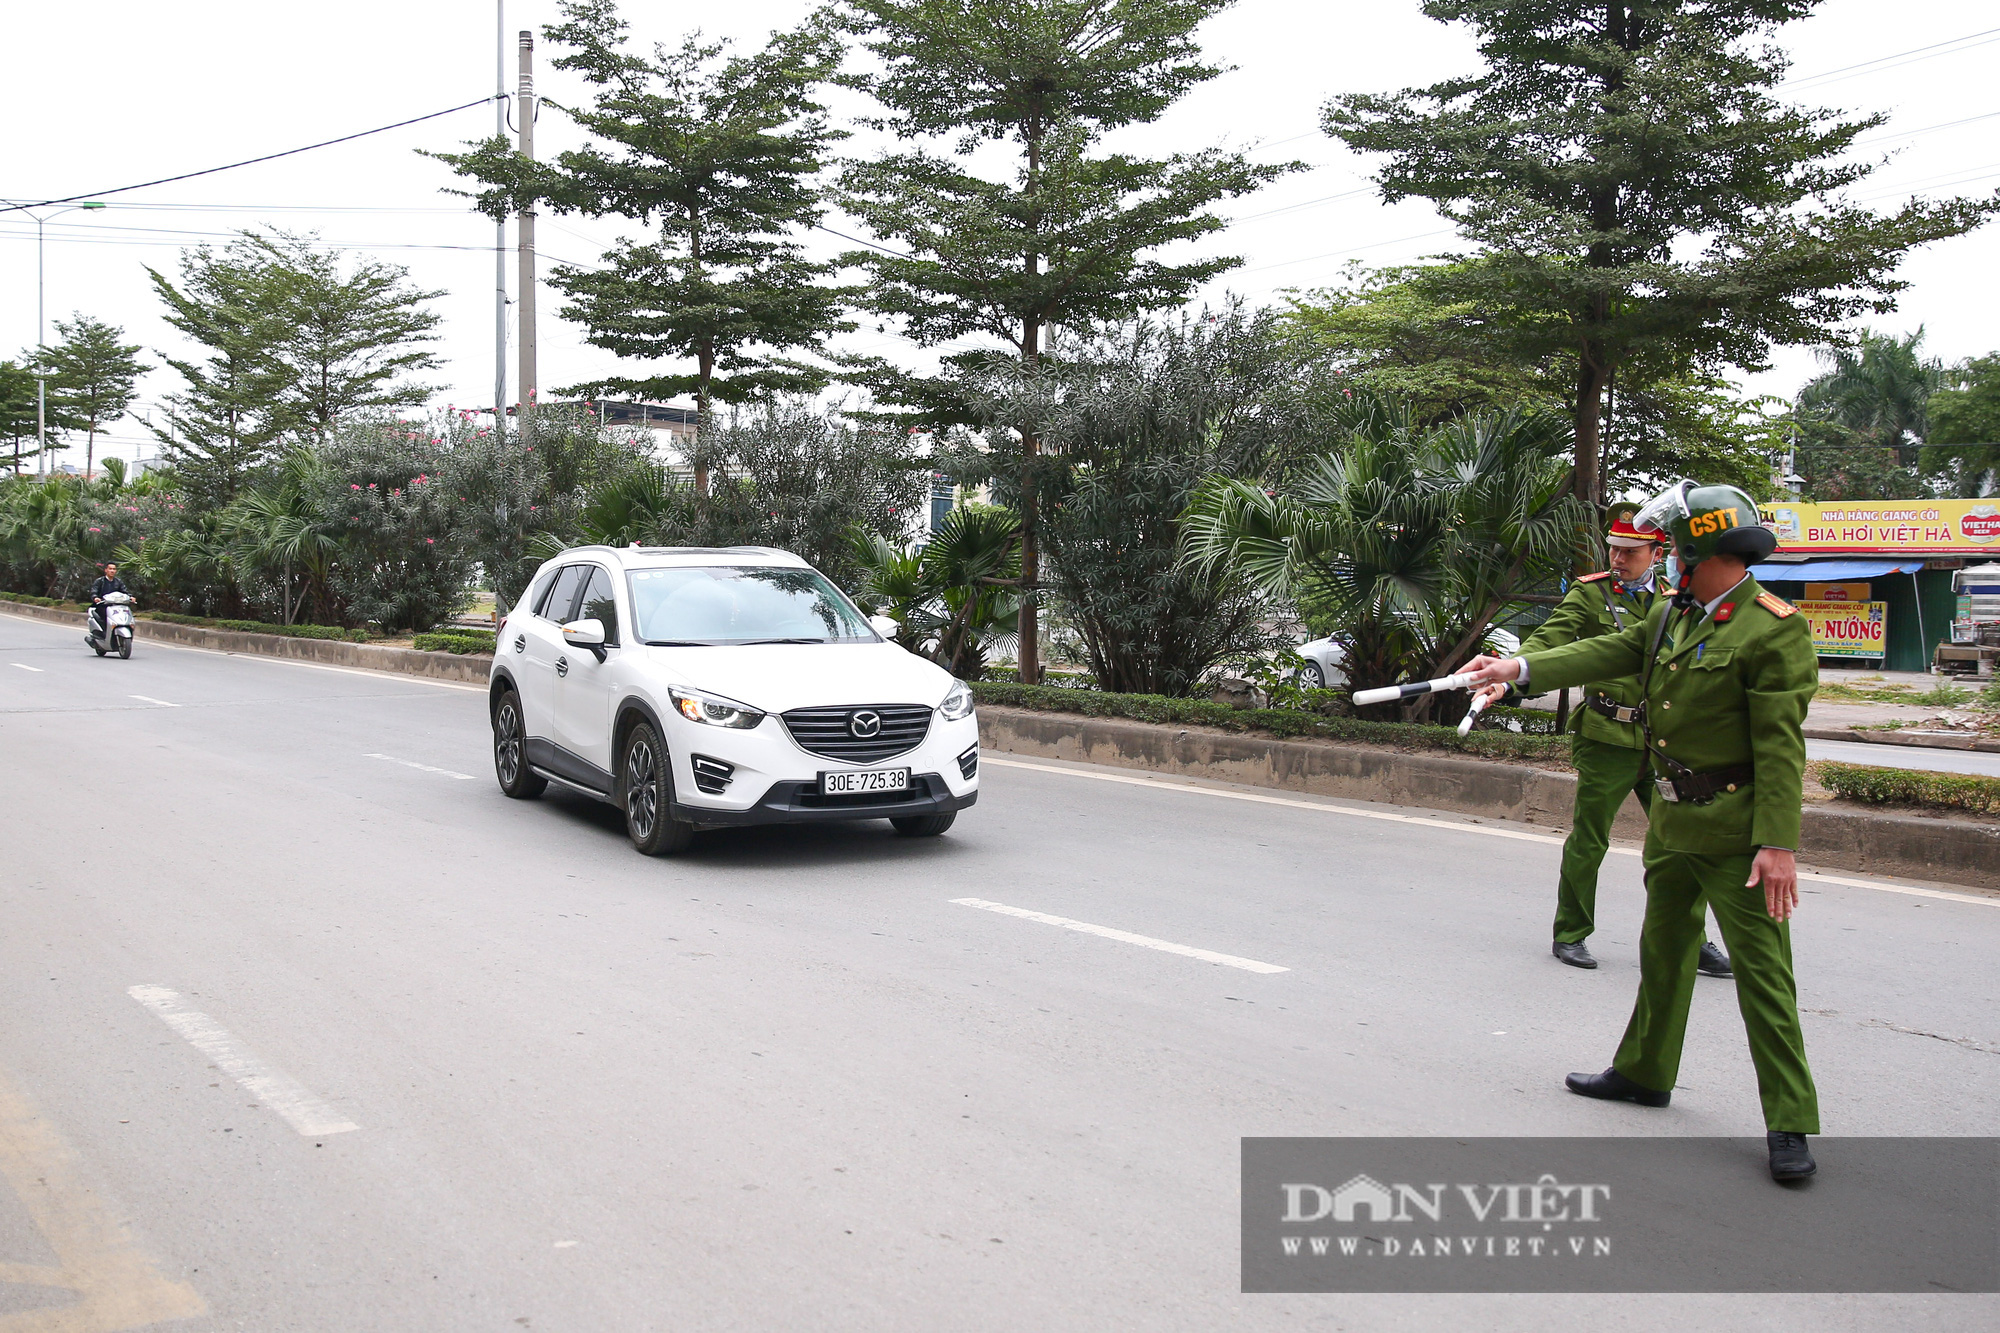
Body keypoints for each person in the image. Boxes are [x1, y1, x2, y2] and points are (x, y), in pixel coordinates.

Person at [1463, 481, 1822, 1184]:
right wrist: (1518, 667)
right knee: (1664, 950)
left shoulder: (1772, 627)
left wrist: (1777, 844)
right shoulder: (1671, 615)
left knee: (1763, 975)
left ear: (1698, 551)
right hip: (1674, 819)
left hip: (1736, 831)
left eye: (1675, 551)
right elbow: (1610, 649)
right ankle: (1644, 1071)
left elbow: (1782, 747)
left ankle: (1789, 1118)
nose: (1665, 563)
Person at [1475, 514, 1731, 978]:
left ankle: (1691, 940)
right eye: (1613, 548)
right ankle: (1570, 932)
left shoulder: (1677, 602)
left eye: (1630, 552)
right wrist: (1510, 680)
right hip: (1606, 736)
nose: (1617, 558)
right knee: (1590, 840)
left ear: (1657, 555)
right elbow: (1550, 644)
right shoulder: (1589, 593)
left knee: (1681, 842)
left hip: (1662, 744)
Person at [86, 562, 130, 641]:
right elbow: (94, 591)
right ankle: (103, 633)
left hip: (116, 606)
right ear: (106, 570)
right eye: (110, 569)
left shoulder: (118, 582)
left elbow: (125, 591)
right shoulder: (100, 581)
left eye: (114, 569)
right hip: (102, 605)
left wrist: (130, 597)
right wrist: (95, 597)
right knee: (104, 616)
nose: (112, 571)